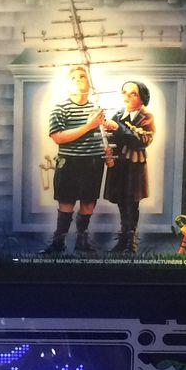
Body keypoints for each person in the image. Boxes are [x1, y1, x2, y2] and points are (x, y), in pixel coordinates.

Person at [42, 65, 106, 255]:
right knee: (66, 202)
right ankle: (58, 244)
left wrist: (106, 128)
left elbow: (103, 133)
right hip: (69, 163)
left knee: (88, 203)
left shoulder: (96, 109)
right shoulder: (60, 108)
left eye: (82, 76)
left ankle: (82, 242)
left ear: (89, 83)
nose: (78, 80)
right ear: (67, 84)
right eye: (73, 78)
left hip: (93, 163)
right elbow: (58, 137)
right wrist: (89, 126)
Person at [103, 80, 155, 254]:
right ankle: (123, 239)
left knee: (132, 202)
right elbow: (112, 137)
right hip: (119, 164)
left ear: (142, 98)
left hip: (134, 166)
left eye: (133, 93)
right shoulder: (118, 114)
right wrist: (107, 131)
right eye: (124, 92)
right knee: (121, 201)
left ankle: (131, 242)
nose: (127, 96)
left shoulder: (146, 117)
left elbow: (143, 141)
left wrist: (118, 128)